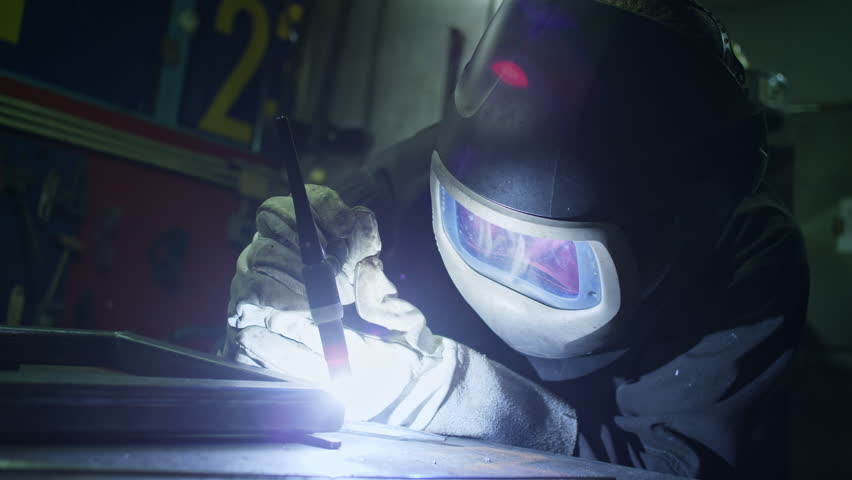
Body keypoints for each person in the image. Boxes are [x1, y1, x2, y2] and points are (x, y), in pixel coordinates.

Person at [222, 0, 809, 477]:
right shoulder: (403, 185)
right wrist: (275, 307)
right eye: (479, 229)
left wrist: (457, 397)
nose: (511, 265)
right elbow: (274, 360)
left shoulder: (747, 256)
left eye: (556, 262)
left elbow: (665, 469)